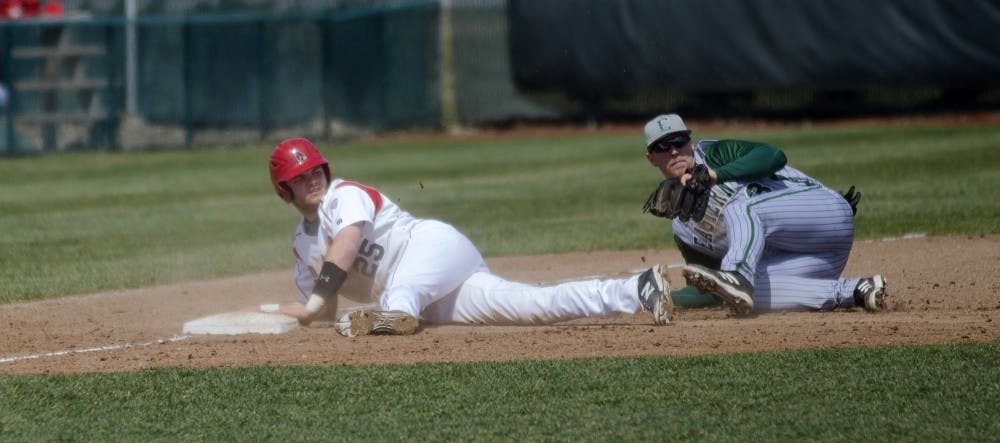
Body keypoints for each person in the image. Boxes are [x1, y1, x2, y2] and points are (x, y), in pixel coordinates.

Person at [265, 137, 674, 336]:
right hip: (430, 295)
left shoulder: (344, 195)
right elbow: (324, 308)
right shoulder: (303, 247)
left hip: (430, 249)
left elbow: (347, 242)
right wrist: (294, 308)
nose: (312, 179)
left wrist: (315, 298)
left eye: (315, 170)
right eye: (299, 178)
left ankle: (396, 317)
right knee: (531, 306)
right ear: (285, 191)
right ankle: (637, 290)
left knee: (398, 299)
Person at [642, 113, 887, 316]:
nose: (674, 151)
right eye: (663, 146)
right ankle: (855, 290)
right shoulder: (682, 227)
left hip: (823, 214)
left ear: (691, 143)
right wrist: (658, 295)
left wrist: (714, 176)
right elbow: (707, 288)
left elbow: (774, 156)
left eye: (680, 141)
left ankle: (738, 274)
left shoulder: (715, 154)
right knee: (738, 292)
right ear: (651, 157)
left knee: (739, 208)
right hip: (818, 259)